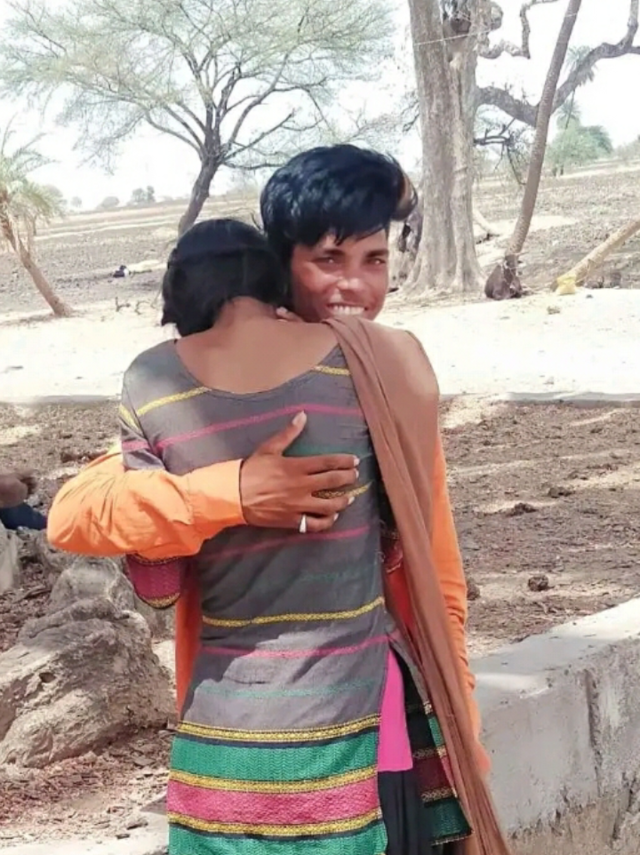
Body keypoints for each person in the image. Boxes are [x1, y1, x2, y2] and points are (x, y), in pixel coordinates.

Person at [114, 214, 507, 855]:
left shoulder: (147, 382)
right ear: (276, 281)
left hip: (226, 750)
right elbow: (401, 537)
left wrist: (222, 495)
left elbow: (158, 584)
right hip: (359, 732)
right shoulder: (357, 359)